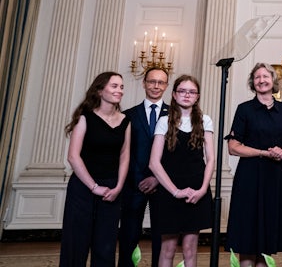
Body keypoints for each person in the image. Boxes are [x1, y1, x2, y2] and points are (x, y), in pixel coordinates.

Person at [226, 63, 282, 267]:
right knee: (248, 235)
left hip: (275, 177)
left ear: (273, 80)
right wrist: (264, 153)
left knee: (268, 235)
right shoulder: (244, 109)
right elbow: (233, 147)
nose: (261, 80)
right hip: (250, 177)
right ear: (253, 82)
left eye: (265, 76)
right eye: (257, 77)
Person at [60, 71, 130, 267]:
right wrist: (94, 187)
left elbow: (125, 156)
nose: (119, 90)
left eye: (121, 87)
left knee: (105, 246)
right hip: (83, 188)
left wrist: (118, 187)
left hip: (111, 190)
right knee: (76, 244)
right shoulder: (85, 118)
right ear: (100, 90)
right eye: (114, 86)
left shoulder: (125, 121)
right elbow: (73, 156)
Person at [149, 75, 214, 267]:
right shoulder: (164, 121)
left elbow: (211, 159)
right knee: (167, 249)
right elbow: (154, 163)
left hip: (196, 191)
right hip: (169, 191)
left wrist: (202, 190)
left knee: (190, 249)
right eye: (182, 91)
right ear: (174, 95)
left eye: (192, 92)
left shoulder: (205, 120)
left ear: (197, 96)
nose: (187, 95)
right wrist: (175, 191)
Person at [119, 67, 170, 267]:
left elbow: (175, 154)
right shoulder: (128, 116)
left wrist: (157, 177)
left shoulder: (175, 115)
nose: (156, 86)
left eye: (161, 82)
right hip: (134, 185)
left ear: (166, 86)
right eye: (152, 81)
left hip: (163, 186)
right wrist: (139, 179)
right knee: (128, 236)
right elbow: (124, 153)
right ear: (144, 83)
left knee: (162, 238)